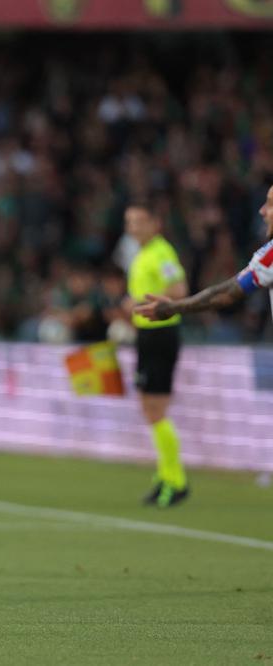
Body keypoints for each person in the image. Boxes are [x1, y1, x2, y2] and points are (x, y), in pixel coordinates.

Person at [136, 184, 273, 353]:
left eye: (270, 204)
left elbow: (227, 293)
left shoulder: (270, 256)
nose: (262, 211)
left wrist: (172, 308)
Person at [124, 204, 190, 508]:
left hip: (161, 334)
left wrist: (141, 303)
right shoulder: (142, 254)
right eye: (129, 222)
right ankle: (166, 475)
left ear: (155, 222)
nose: (133, 228)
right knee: (149, 407)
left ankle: (175, 481)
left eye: (139, 221)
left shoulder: (162, 252)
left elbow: (178, 289)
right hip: (146, 334)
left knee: (156, 408)